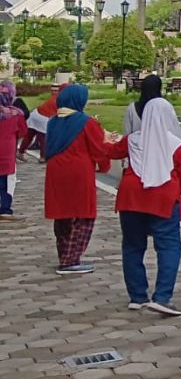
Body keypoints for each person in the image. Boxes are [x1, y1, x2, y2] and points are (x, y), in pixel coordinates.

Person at [106, 75, 181, 314]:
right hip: (163, 199)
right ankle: (162, 296)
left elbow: (112, 152)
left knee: (133, 247)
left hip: (130, 198)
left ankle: (137, 296)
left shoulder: (133, 139)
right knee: (168, 247)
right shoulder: (175, 144)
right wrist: (176, 192)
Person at [42, 83, 114, 273]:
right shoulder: (86, 122)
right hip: (78, 173)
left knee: (63, 215)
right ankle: (70, 260)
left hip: (56, 172)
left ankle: (64, 255)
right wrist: (105, 163)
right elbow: (98, 149)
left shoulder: (53, 121)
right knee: (83, 216)